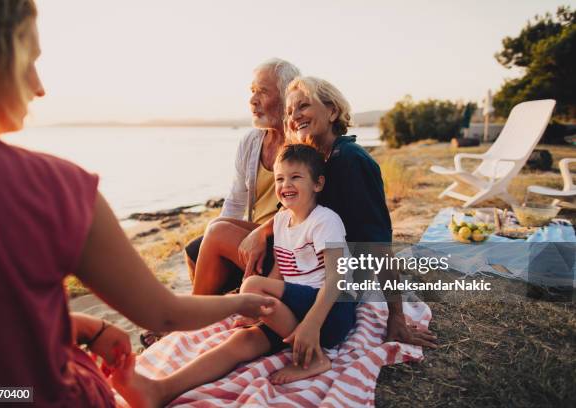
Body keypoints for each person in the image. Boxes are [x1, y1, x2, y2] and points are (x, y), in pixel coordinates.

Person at [0, 1, 275, 406]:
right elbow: (160, 312)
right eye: (30, 60)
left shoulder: (340, 158)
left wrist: (73, 324)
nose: (39, 86)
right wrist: (243, 301)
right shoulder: (54, 186)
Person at [111, 144, 357, 407]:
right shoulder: (281, 221)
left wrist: (310, 325)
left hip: (331, 313)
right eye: (279, 178)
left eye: (296, 177)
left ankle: (315, 358)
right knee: (242, 340)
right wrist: (261, 311)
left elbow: (337, 279)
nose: (286, 184)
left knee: (251, 284)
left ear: (318, 184)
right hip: (296, 313)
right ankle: (160, 390)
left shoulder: (325, 221)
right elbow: (280, 272)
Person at [206, 76, 438, 348]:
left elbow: (378, 244)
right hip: (307, 253)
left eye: (303, 106)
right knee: (210, 236)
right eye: (290, 112)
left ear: (332, 111)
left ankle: (193, 319)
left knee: (219, 232)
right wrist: (260, 231)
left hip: (326, 271)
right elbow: (288, 214)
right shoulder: (317, 156)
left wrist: (395, 316)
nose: (294, 116)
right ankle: (206, 313)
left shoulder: (350, 161)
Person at [187, 58, 300, 294]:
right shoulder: (251, 141)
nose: (253, 100)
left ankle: (191, 316)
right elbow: (236, 200)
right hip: (255, 236)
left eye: (263, 92)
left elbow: (304, 209)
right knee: (196, 247)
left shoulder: (302, 143)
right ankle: (210, 307)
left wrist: (255, 232)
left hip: (287, 243)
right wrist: (213, 240)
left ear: (287, 96)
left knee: (217, 232)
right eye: (252, 91)